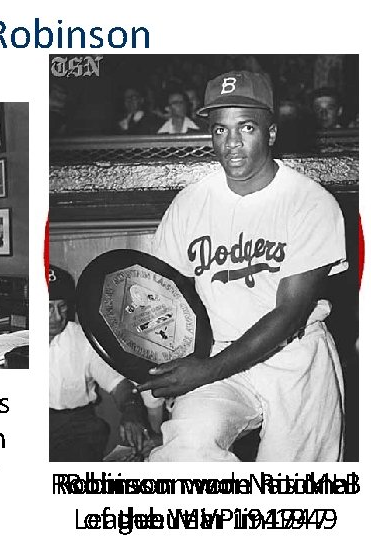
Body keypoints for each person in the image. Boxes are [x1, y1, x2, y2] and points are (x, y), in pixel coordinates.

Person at [139, 71, 348, 461]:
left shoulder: (310, 202)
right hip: (216, 352)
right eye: (220, 130)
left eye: (246, 127)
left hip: (295, 358)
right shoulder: (189, 203)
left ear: (270, 133)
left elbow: (289, 314)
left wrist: (206, 370)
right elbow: (159, 296)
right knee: (186, 450)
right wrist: (152, 388)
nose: (231, 144)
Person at [49, 265, 164, 461]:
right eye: (48, 308)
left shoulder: (82, 339)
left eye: (62, 307)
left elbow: (120, 385)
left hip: (76, 425)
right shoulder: (14, 341)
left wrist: (131, 410)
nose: (58, 317)